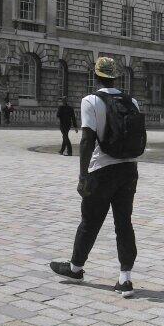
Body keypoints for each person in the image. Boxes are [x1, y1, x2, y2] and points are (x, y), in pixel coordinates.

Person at [49, 57, 142, 298]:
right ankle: (125, 279)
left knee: (90, 221)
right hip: (129, 169)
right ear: (115, 76)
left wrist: (82, 175)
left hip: (102, 169)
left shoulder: (90, 101)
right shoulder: (132, 101)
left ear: (96, 75)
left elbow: (88, 139)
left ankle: (76, 268)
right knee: (124, 222)